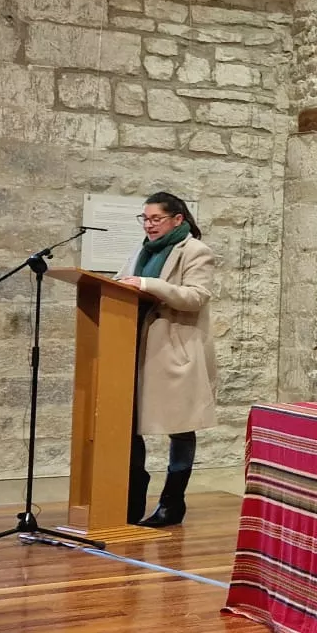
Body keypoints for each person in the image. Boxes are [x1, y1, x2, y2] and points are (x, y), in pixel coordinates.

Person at [116, 191, 217, 528]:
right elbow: (119, 284)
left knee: (180, 427)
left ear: (178, 219)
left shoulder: (195, 251)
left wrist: (149, 284)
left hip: (175, 349)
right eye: (144, 219)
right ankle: (131, 496)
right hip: (135, 347)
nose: (148, 225)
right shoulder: (141, 250)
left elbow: (196, 297)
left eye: (155, 218)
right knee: (128, 424)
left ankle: (173, 501)